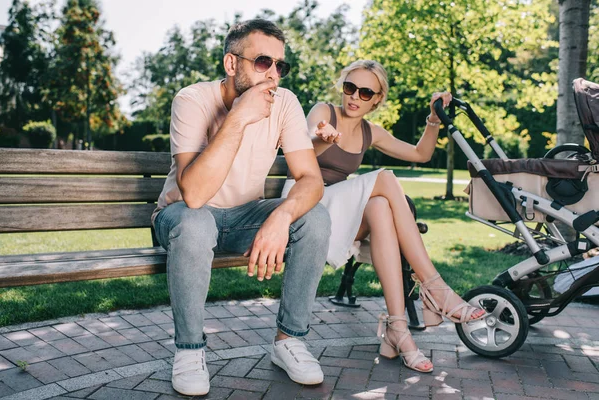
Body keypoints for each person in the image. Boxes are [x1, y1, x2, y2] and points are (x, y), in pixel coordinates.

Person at [152, 19, 331, 396]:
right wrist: (239, 116)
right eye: (263, 62)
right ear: (231, 64)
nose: (274, 76)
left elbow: (311, 179)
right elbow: (195, 195)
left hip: (242, 218)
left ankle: (289, 341)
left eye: (281, 66)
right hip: (181, 217)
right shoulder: (192, 100)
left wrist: (281, 215)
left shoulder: (286, 104)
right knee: (197, 221)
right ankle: (189, 350)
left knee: (313, 216)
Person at [282, 60, 486, 373]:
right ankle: (436, 288)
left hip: (335, 212)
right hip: (303, 204)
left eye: (365, 92)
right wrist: (323, 138)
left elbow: (421, 155)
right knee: (385, 179)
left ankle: (398, 328)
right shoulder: (324, 112)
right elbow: (303, 152)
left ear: (377, 99)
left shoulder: (370, 132)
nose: (354, 97)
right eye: (350, 88)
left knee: (379, 207)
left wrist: (433, 120)